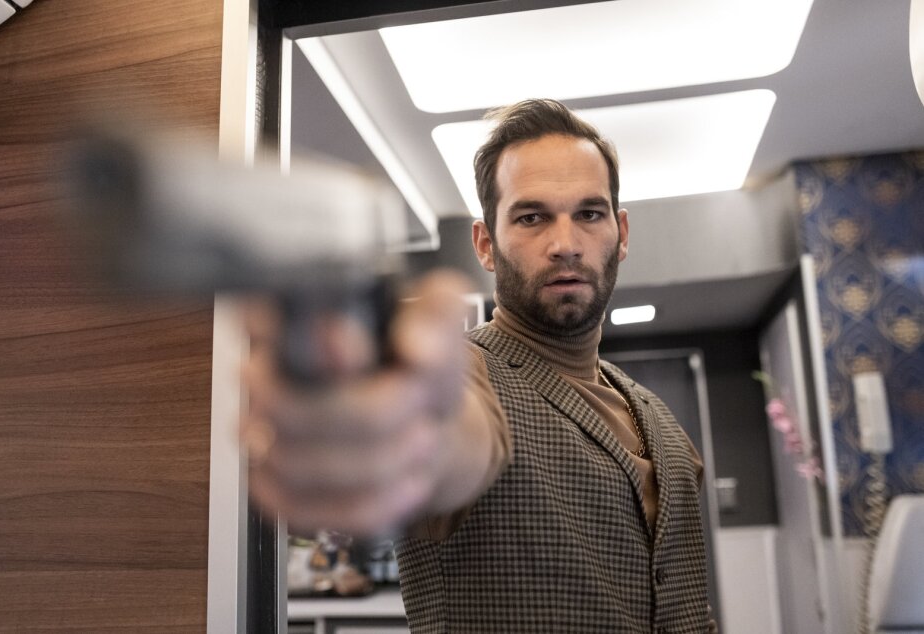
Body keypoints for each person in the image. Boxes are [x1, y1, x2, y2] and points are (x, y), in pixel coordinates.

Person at [242, 98, 714, 632]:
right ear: (486, 245)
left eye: (589, 214)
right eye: (532, 217)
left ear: (621, 233)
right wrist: (401, 427)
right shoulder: (468, 378)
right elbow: (454, 435)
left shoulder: (663, 425)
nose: (565, 244)